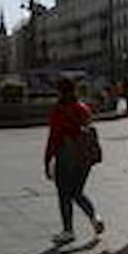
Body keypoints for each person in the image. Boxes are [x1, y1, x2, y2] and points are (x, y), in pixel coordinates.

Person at [44, 78, 104, 245]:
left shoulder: (59, 110)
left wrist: (47, 159)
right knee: (77, 192)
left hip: (66, 157)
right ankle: (94, 217)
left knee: (64, 194)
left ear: (60, 92)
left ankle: (68, 230)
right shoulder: (83, 108)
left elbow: (54, 138)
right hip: (84, 158)